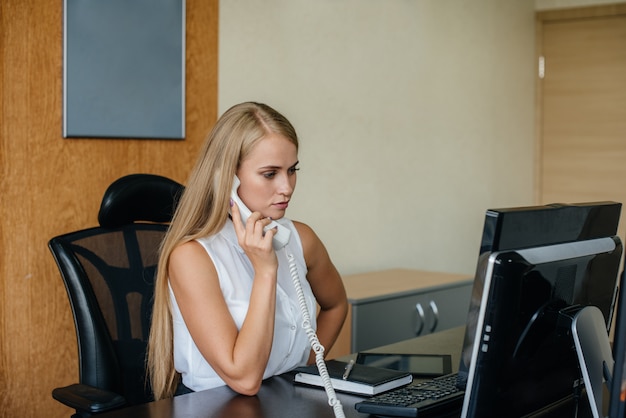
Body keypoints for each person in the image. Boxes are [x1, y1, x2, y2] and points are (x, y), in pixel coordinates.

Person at [147, 102, 348, 400]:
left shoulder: (299, 238)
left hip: (284, 401)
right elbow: (245, 380)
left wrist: (306, 367)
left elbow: (336, 305)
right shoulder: (192, 257)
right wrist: (266, 271)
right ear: (229, 178)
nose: (287, 187)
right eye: (270, 174)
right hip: (215, 406)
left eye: (292, 170)